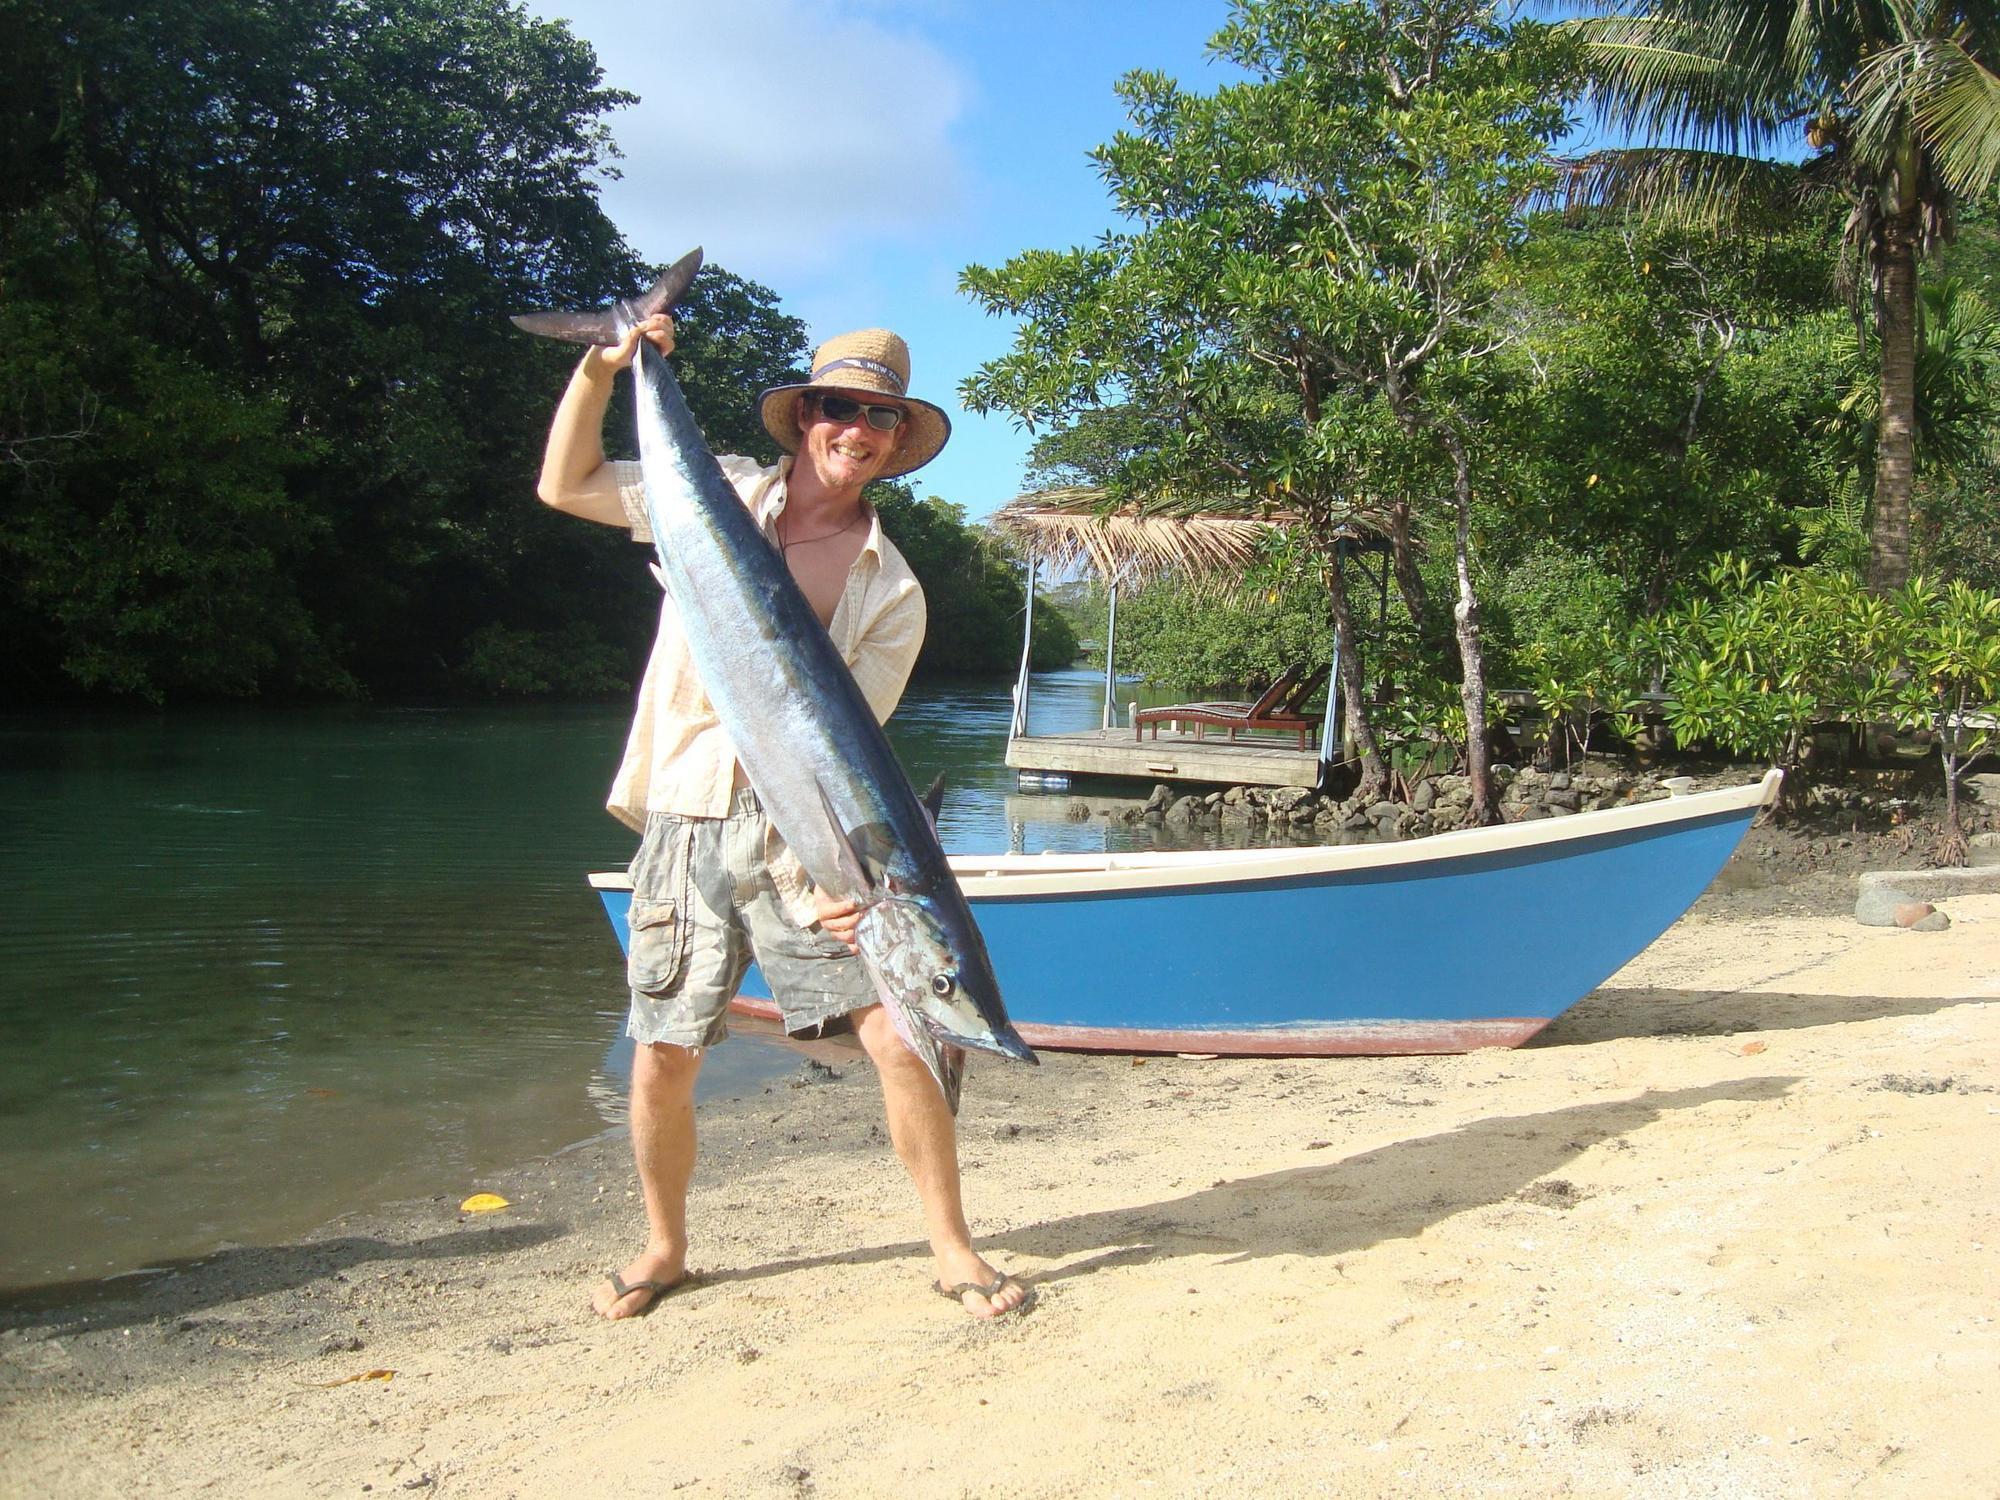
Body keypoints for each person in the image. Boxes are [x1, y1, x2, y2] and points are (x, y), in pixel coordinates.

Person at [535, 314, 1030, 1322]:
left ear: (896, 438)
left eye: (879, 415)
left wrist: (847, 881)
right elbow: (563, 484)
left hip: (797, 828)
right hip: (683, 805)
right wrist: (607, 363)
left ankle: (953, 1248)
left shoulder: (891, 589)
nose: (858, 427)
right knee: (666, 1047)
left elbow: (844, 755)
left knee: (903, 1035)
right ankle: (664, 1248)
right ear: (805, 417)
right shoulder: (708, 493)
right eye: (840, 407)